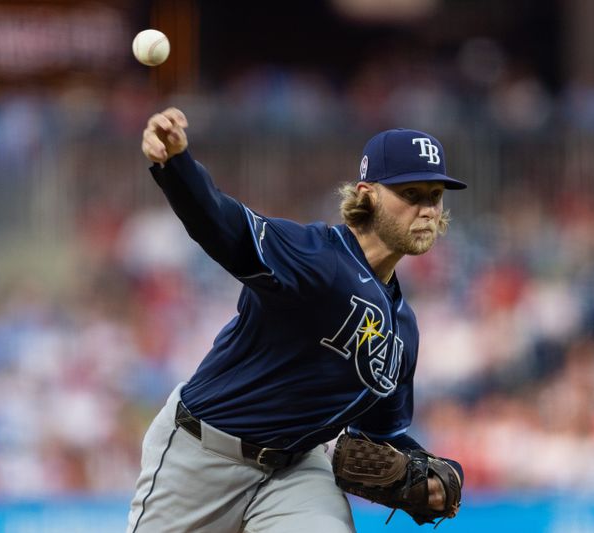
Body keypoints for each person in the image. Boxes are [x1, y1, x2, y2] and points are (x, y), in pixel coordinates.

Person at [127, 107, 466, 533]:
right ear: (368, 194)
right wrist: (175, 165)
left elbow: (382, 435)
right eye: (410, 194)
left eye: (434, 196)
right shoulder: (315, 256)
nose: (426, 210)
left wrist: (433, 472)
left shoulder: (403, 329)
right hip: (202, 454)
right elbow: (221, 225)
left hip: (295, 472)